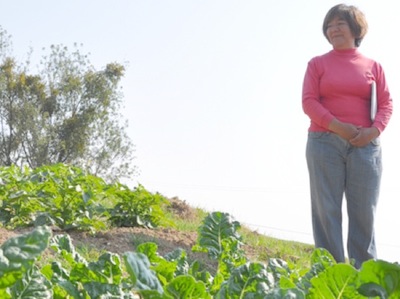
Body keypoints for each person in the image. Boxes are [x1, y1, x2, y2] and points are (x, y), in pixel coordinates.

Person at [302, 3, 393, 268]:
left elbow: (386, 104)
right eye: (329, 25)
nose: (334, 29)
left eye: (340, 23)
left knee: (364, 213)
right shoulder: (316, 64)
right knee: (326, 212)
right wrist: (338, 126)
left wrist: (373, 131)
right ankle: (331, 275)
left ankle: (364, 281)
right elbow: (309, 102)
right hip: (323, 142)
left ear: (355, 28)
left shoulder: (373, 66)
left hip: (366, 147)